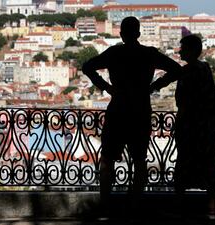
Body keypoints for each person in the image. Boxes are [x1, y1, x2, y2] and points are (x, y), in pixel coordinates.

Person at [82, 16, 182, 213]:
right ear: (138, 34)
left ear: (121, 34)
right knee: (139, 160)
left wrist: (107, 88)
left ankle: (105, 203)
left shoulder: (114, 53)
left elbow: (87, 67)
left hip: (118, 108)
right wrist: (154, 86)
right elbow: (176, 70)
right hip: (140, 110)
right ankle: (135, 204)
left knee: (108, 159)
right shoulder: (149, 54)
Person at [151, 34, 215, 219]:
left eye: (182, 48)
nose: (179, 51)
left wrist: (178, 125)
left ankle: (179, 205)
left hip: (191, 125)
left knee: (184, 164)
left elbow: (184, 101)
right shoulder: (205, 68)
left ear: (190, 50)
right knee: (208, 165)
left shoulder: (187, 72)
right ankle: (212, 208)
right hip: (206, 125)